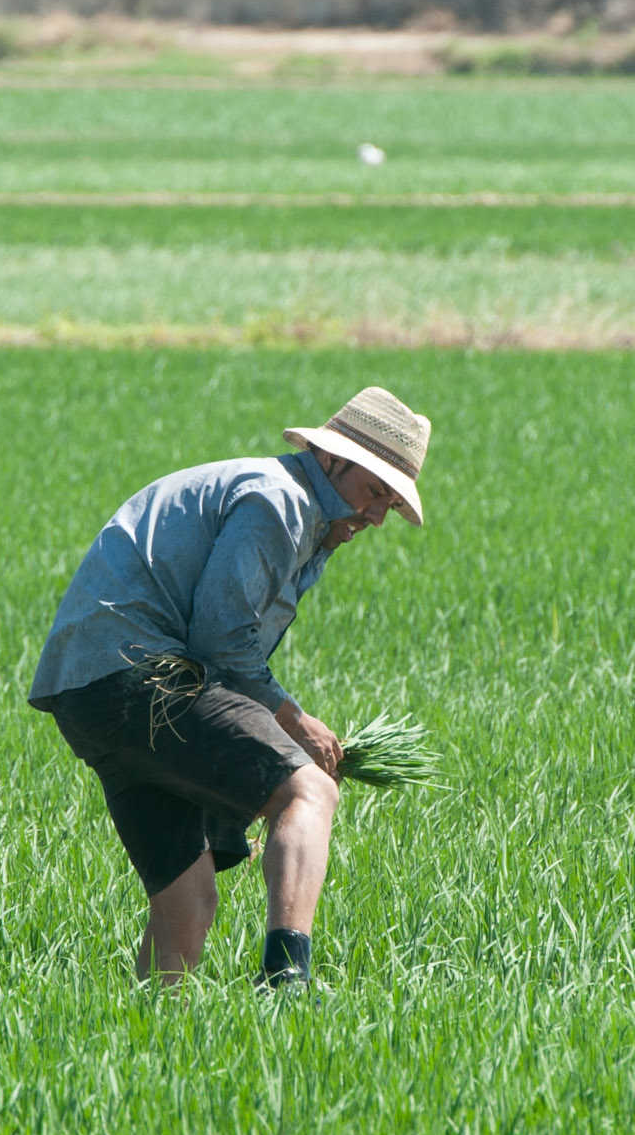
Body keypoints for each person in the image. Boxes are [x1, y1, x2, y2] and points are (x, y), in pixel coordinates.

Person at [29, 386, 430, 989]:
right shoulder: (279, 502)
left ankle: (149, 1040)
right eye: (375, 492)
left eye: (391, 503)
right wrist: (294, 720)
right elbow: (221, 640)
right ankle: (287, 986)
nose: (377, 516)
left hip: (91, 693)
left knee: (188, 901)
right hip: (142, 675)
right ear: (331, 460)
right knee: (310, 792)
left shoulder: (303, 513)